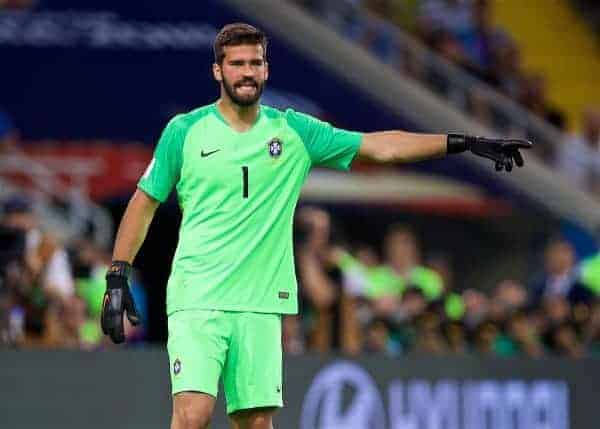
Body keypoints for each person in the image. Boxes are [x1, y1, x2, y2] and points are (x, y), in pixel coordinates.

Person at [100, 22, 531, 429]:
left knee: (255, 422)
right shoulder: (185, 131)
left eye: (255, 63)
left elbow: (381, 148)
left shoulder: (294, 132)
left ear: (266, 69)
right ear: (218, 70)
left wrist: (464, 142)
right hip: (198, 296)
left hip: (261, 302)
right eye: (237, 64)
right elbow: (144, 203)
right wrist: (118, 274)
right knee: (192, 414)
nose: (247, 73)